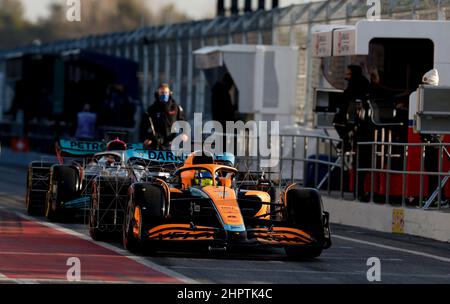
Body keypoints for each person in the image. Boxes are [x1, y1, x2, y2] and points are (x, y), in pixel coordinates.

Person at [412, 69, 447, 204]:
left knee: (433, 170)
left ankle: (438, 197)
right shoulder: (431, 98)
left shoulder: (435, 98)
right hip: (431, 137)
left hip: (435, 137)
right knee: (431, 169)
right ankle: (435, 196)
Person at [333, 65, 370, 152]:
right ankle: (346, 141)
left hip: (354, 110)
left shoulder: (358, 82)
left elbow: (351, 95)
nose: (347, 76)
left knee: (339, 122)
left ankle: (346, 142)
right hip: (351, 109)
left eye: (349, 74)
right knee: (338, 123)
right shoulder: (355, 81)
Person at [143, 83, 187, 150]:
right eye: (162, 92)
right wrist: (148, 138)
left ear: (169, 93)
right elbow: (146, 125)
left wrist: (185, 134)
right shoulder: (152, 109)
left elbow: (183, 121)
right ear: (158, 93)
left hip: (172, 141)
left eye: (166, 92)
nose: (164, 94)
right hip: (156, 142)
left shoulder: (175, 107)